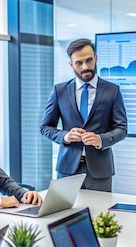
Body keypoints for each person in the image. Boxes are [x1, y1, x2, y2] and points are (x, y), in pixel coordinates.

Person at [40, 38, 127, 192]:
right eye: (79, 63)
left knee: (100, 215)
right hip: (67, 169)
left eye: (89, 60)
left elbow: (121, 128)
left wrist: (100, 139)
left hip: (100, 171)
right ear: (71, 64)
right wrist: (65, 136)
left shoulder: (112, 91)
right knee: (66, 215)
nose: (85, 67)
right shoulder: (59, 91)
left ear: (96, 58)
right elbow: (46, 127)